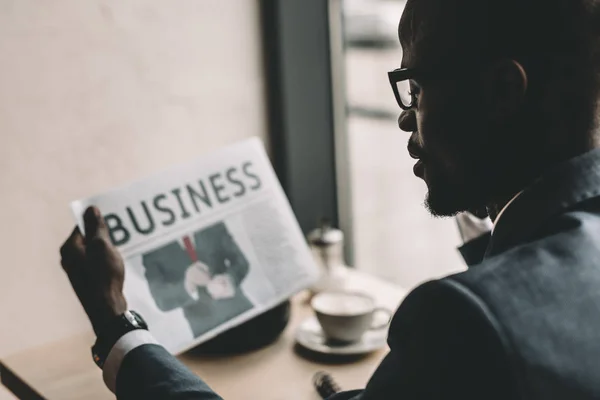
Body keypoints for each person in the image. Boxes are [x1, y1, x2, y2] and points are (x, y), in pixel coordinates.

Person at [59, 0, 600, 398]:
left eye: (415, 85)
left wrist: (116, 325)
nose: (405, 116)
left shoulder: (466, 322)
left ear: (502, 93)